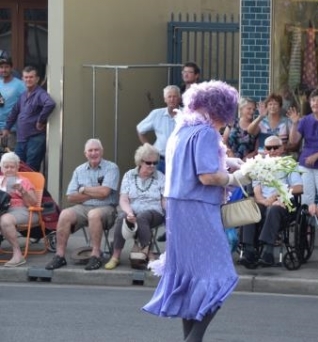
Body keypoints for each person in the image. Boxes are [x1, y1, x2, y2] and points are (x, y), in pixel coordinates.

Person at [143, 80, 246, 342]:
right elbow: (208, 176)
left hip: (178, 208)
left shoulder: (182, 130)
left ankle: (192, 339)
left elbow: (193, 164)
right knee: (221, 276)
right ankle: (193, 340)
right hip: (198, 208)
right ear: (220, 109)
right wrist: (237, 178)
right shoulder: (207, 133)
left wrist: (228, 161)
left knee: (191, 278)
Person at [45, 138, 120, 271]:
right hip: (83, 207)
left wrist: (83, 189)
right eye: (90, 150)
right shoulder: (79, 170)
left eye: (96, 150)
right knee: (65, 213)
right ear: (85, 154)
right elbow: (71, 197)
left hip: (107, 208)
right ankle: (59, 255)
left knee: (94, 214)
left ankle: (95, 255)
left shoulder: (111, 167)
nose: (93, 153)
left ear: (102, 151)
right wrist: (94, 192)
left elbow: (105, 192)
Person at [238, 135, 303, 268]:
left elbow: (298, 188)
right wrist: (263, 200)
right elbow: (256, 189)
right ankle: (249, 250)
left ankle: (268, 252)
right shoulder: (259, 165)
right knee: (251, 208)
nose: (272, 150)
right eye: (269, 148)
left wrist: (278, 194)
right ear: (265, 150)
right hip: (264, 201)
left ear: (282, 149)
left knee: (273, 209)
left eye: (276, 147)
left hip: (284, 203)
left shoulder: (289, 164)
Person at [104, 143, 165, 270]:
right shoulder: (129, 175)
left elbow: (164, 200)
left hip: (154, 212)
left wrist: (170, 213)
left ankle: (148, 253)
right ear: (140, 162)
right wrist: (129, 213)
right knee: (122, 217)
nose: (152, 165)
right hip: (133, 210)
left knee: (143, 217)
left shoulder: (160, 177)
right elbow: (124, 199)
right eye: (149, 163)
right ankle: (115, 256)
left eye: (155, 162)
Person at [2, 65, 55, 171]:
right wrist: (7, 128)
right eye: (26, 77)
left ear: (37, 79)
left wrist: (40, 121)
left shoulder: (40, 93)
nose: (28, 80)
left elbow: (50, 103)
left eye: (31, 77)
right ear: (22, 79)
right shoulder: (23, 95)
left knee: (30, 169)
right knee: (17, 167)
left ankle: (30, 188)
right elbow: (14, 112)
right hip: (21, 139)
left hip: (35, 138)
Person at [0, 152, 38, 267]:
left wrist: (23, 191)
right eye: (6, 167)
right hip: (2, 210)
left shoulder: (24, 181)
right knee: (4, 217)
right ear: (1, 168)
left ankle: (18, 254)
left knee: (5, 220)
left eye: (12, 167)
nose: (9, 169)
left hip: (22, 210)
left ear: (17, 167)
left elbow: (32, 203)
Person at [136, 85, 181, 174]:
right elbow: (140, 129)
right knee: (157, 186)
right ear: (165, 99)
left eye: (174, 96)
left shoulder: (187, 115)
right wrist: (149, 147)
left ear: (179, 98)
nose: (172, 99)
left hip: (180, 161)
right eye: (169, 96)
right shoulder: (156, 114)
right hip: (160, 161)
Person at [0, 57, 26, 150]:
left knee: (9, 158)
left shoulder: (20, 85)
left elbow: (27, 104)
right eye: (1, 67)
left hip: (11, 129)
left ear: (11, 68)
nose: (4, 70)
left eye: (6, 67)